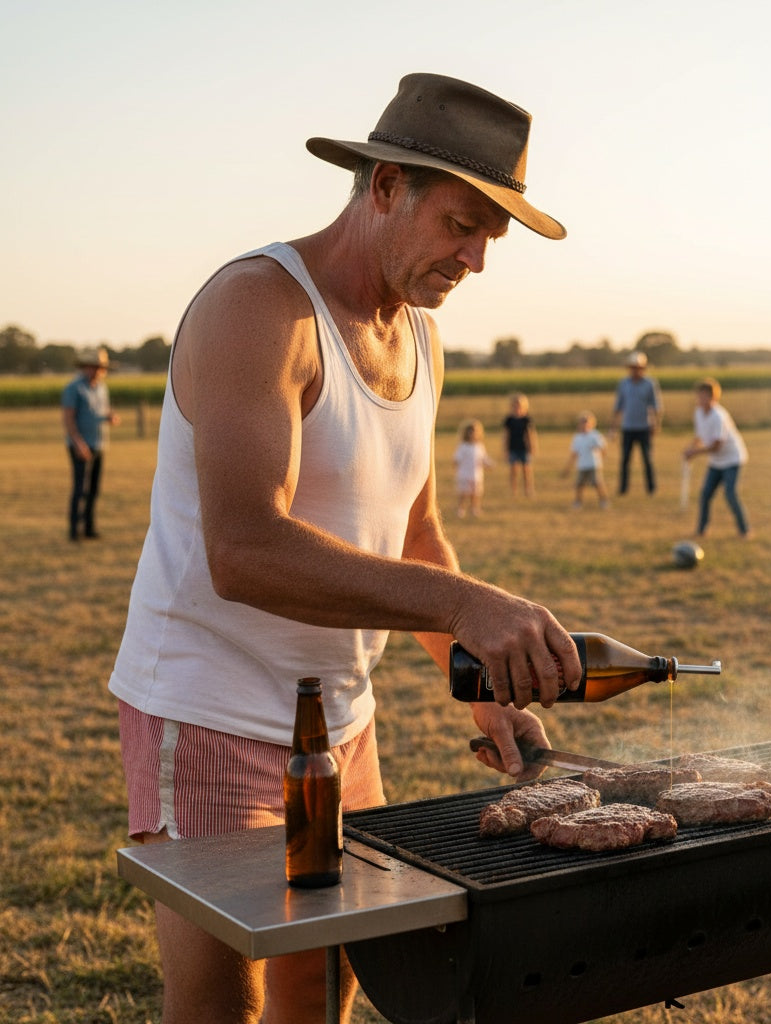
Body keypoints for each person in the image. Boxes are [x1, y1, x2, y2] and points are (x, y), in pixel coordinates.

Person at [107, 73, 580, 1024]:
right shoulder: (259, 308)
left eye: (492, 238)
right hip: (212, 712)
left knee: (325, 987)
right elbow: (244, 549)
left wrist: (477, 679)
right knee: (222, 1007)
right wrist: (466, 607)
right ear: (385, 187)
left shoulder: (421, 338)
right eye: (462, 225)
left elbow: (417, 534)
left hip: (341, 725)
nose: (477, 260)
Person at [61, 346, 120, 541]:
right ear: (85, 367)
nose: (97, 371)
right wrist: (78, 443)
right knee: (80, 488)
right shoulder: (74, 388)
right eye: (93, 366)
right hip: (81, 445)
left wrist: (109, 417)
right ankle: (74, 530)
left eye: (100, 367)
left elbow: (101, 411)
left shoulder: (102, 388)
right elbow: (69, 419)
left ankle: (89, 527)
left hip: (99, 443)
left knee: (94, 489)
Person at [683, 377, 751, 538]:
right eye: (699, 395)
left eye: (704, 395)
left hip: (732, 459)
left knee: (730, 494)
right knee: (705, 494)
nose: (700, 399)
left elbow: (716, 445)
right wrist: (691, 448)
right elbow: (699, 436)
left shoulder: (719, 416)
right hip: (716, 461)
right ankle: (701, 530)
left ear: (713, 397)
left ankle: (744, 530)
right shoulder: (698, 413)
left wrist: (695, 453)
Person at [612, 351, 662, 495]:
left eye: (637, 367)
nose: (634, 370)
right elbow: (618, 406)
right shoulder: (623, 384)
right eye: (632, 367)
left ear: (643, 368)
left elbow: (655, 406)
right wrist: (613, 428)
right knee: (625, 460)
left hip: (644, 427)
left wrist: (656, 424)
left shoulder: (650, 384)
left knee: (647, 459)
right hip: (627, 427)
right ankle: (623, 488)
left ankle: (651, 488)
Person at [562, 410, 609, 508]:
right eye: (582, 422)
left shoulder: (595, 435)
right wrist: (568, 467)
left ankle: (603, 500)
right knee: (579, 484)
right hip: (582, 465)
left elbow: (603, 448)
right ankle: (578, 501)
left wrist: (601, 456)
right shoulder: (577, 437)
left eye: (586, 422)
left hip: (593, 464)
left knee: (597, 483)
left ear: (592, 423)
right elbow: (574, 454)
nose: (584, 424)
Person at [453, 418, 495, 517]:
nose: (473, 434)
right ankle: (461, 508)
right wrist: (456, 465)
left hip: (476, 475)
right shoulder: (463, 446)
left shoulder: (479, 446)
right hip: (464, 475)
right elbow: (457, 459)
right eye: (471, 432)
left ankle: (474, 508)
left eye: (475, 432)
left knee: (475, 494)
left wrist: (489, 464)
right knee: (464, 493)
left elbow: (483, 458)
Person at [502, 391, 538, 496]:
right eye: (515, 405)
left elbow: (531, 434)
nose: (517, 408)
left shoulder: (527, 420)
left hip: (524, 447)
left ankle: (528, 489)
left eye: (519, 405)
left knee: (526, 470)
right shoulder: (509, 420)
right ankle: (513, 490)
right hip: (513, 447)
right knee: (513, 470)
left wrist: (532, 446)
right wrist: (505, 449)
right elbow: (506, 435)